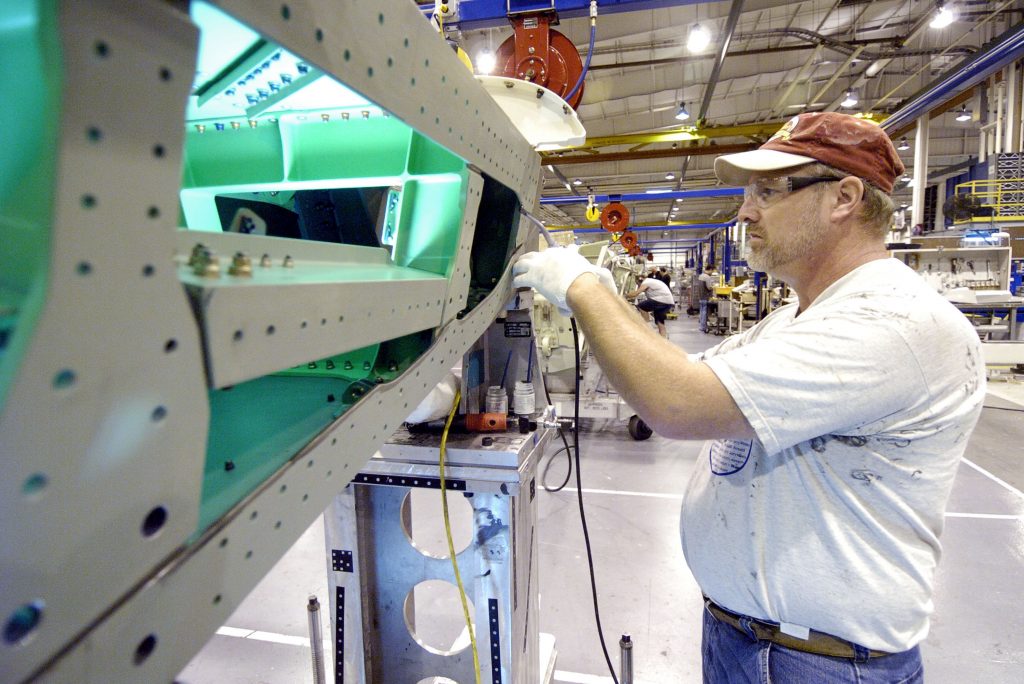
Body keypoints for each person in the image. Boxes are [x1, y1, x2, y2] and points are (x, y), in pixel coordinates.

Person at [512, 111, 985, 683]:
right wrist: (613, 302)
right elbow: (688, 372)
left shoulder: (892, 322)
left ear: (844, 198)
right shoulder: (797, 318)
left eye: (767, 191)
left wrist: (583, 289)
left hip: (817, 665)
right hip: (748, 640)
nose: (745, 211)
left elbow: (677, 403)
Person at [697, 265, 717, 332]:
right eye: (712, 271)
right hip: (705, 297)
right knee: (704, 313)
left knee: (701, 312)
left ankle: (701, 326)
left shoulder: (701, 276)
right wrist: (714, 286)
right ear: (710, 269)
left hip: (700, 297)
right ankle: (703, 327)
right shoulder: (707, 277)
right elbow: (709, 287)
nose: (712, 273)